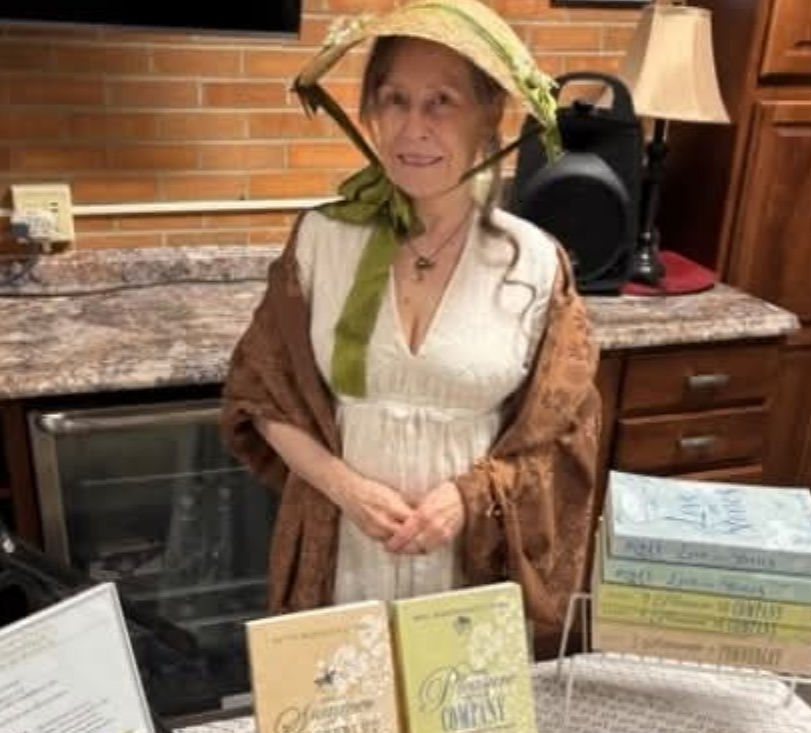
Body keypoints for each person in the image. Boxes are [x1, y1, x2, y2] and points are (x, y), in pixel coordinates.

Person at [220, 0, 601, 648]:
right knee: (343, 729)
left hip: (469, 567)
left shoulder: (534, 264)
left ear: (489, 117)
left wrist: (470, 497)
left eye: (441, 102)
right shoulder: (320, 241)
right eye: (394, 99)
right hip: (340, 553)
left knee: (451, 731)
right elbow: (260, 395)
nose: (411, 128)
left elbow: (563, 440)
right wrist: (346, 489)